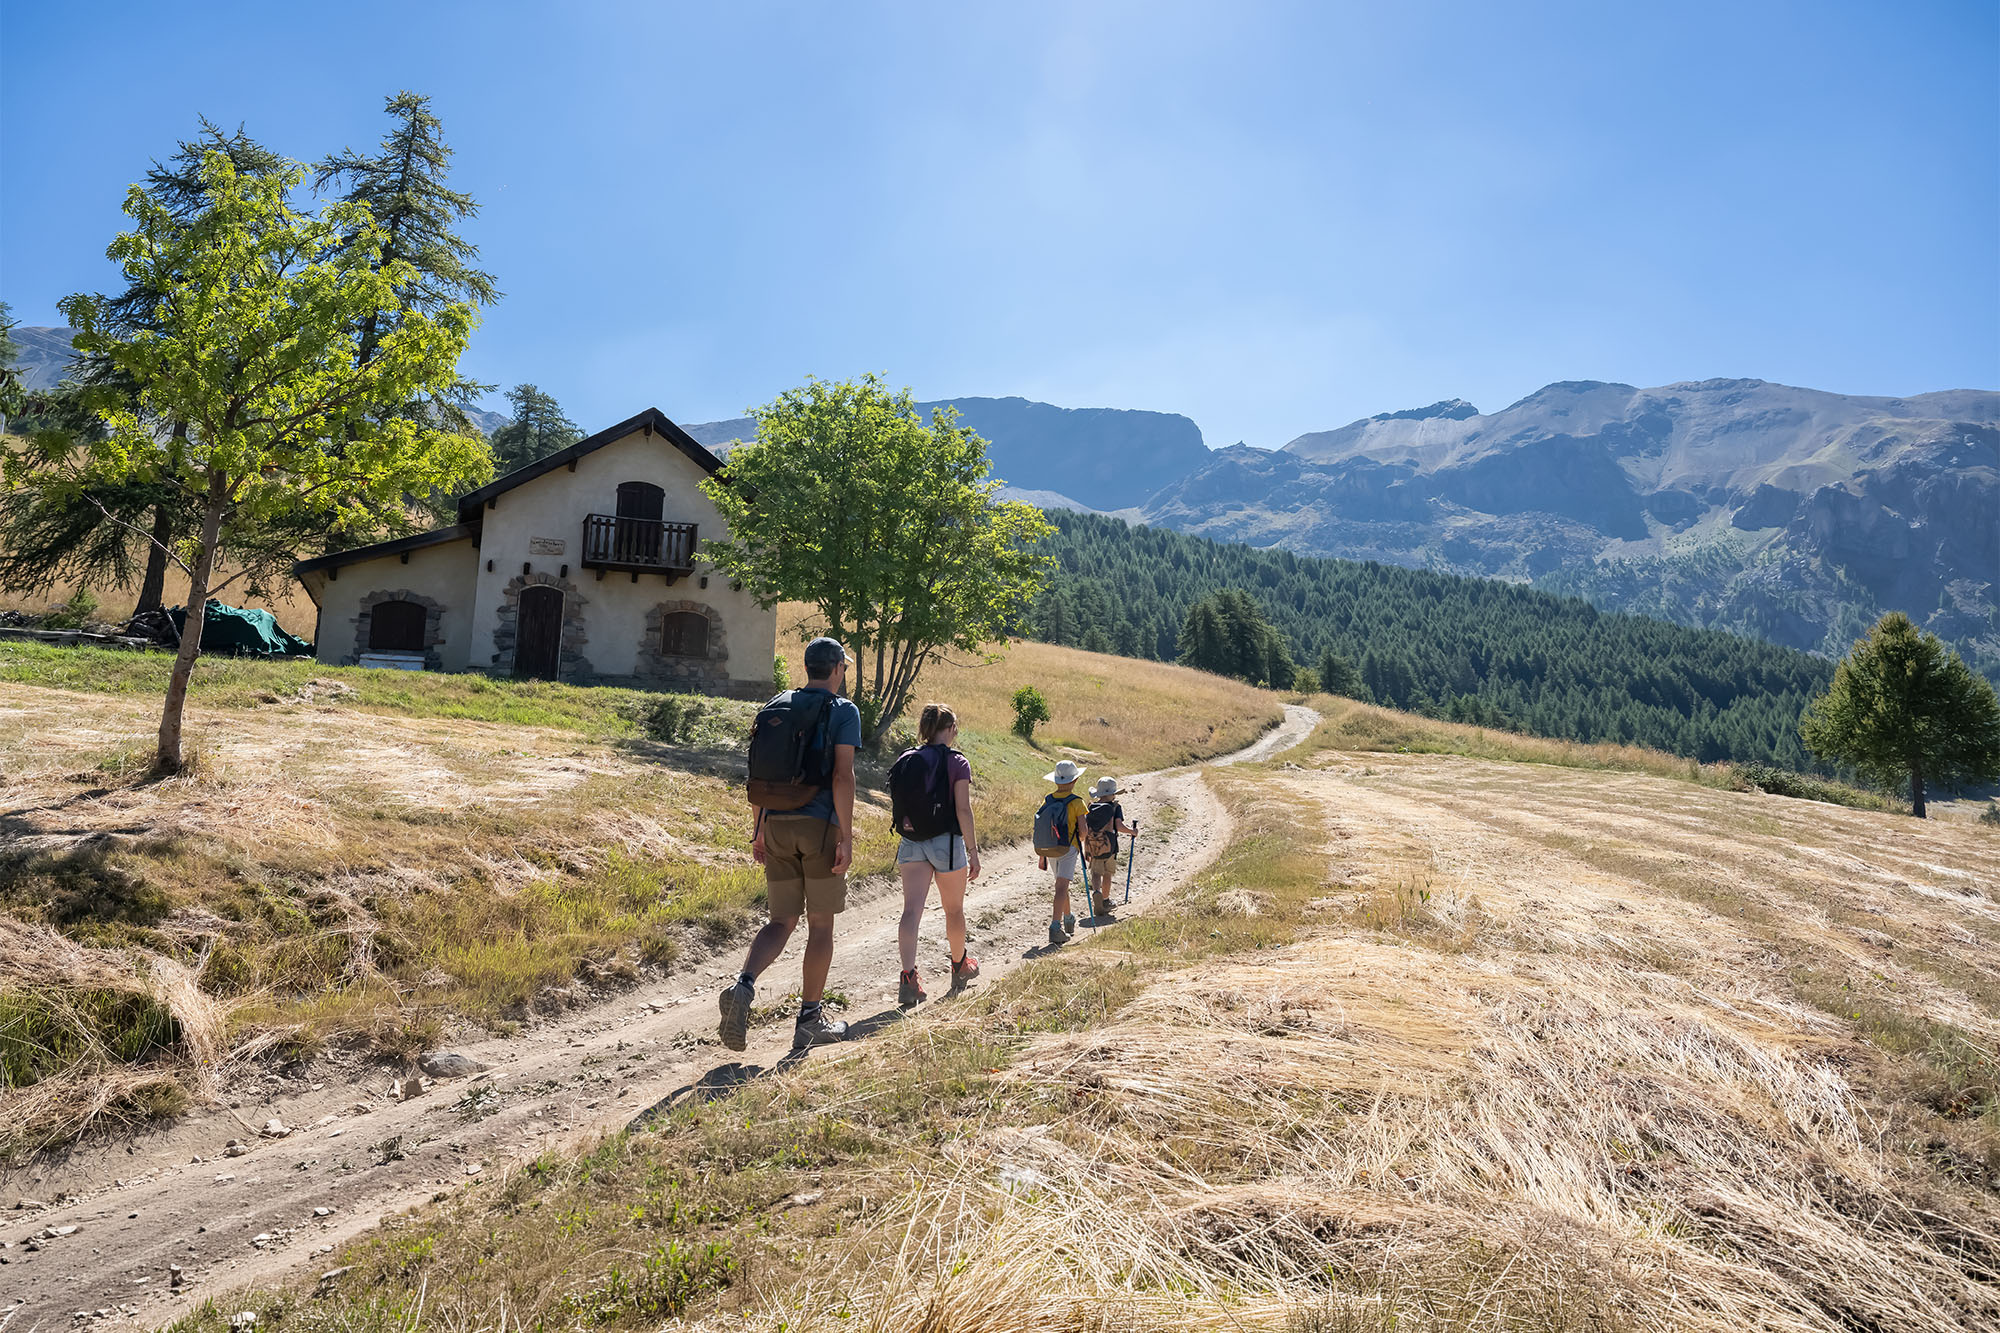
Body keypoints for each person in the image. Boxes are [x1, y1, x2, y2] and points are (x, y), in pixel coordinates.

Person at [719, 637, 861, 1052]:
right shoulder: (842, 711)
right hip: (817, 827)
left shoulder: (777, 704)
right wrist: (846, 837)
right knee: (820, 925)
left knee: (781, 922)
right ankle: (809, 1022)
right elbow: (842, 777)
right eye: (844, 667)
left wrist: (759, 827)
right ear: (836, 668)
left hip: (775, 824)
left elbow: (764, 772)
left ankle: (743, 986)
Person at [890, 702, 981, 1007]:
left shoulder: (907, 757)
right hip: (948, 842)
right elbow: (963, 809)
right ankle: (959, 966)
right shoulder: (957, 762)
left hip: (912, 841)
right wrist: (973, 850)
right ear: (951, 729)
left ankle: (908, 978)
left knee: (910, 911)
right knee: (953, 910)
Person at [1034, 759, 1090, 946]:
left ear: (1056, 781)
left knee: (1061, 884)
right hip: (1068, 848)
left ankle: (1068, 918)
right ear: (1074, 781)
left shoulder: (1048, 799)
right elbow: (1083, 831)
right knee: (1061, 887)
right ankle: (1055, 927)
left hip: (1050, 848)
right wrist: (1080, 841)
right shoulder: (1077, 802)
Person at [1083, 776, 1139, 919]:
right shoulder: (1115, 807)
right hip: (1110, 847)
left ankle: (1096, 891)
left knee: (1096, 872)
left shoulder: (1091, 807)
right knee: (1107, 873)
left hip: (1094, 846)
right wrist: (1132, 832)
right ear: (1112, 794)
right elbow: (1119, 826)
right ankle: (1105, 900)